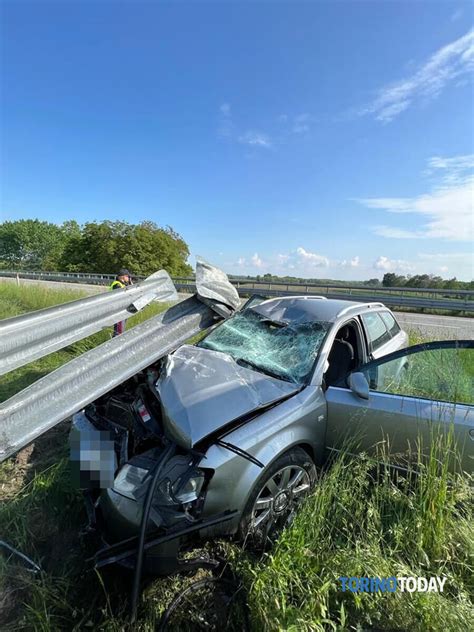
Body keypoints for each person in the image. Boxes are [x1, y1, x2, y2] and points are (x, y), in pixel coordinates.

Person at [110, 268, 133, 336]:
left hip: (123, 309)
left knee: (120, 329)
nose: (129, 278)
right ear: (123, 277)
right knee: (119, 331)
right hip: (118, 311)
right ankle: (115, 344)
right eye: (128, 276)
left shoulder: (123, 284)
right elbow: (121, 296)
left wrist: (130, 284)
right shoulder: (117, 285)